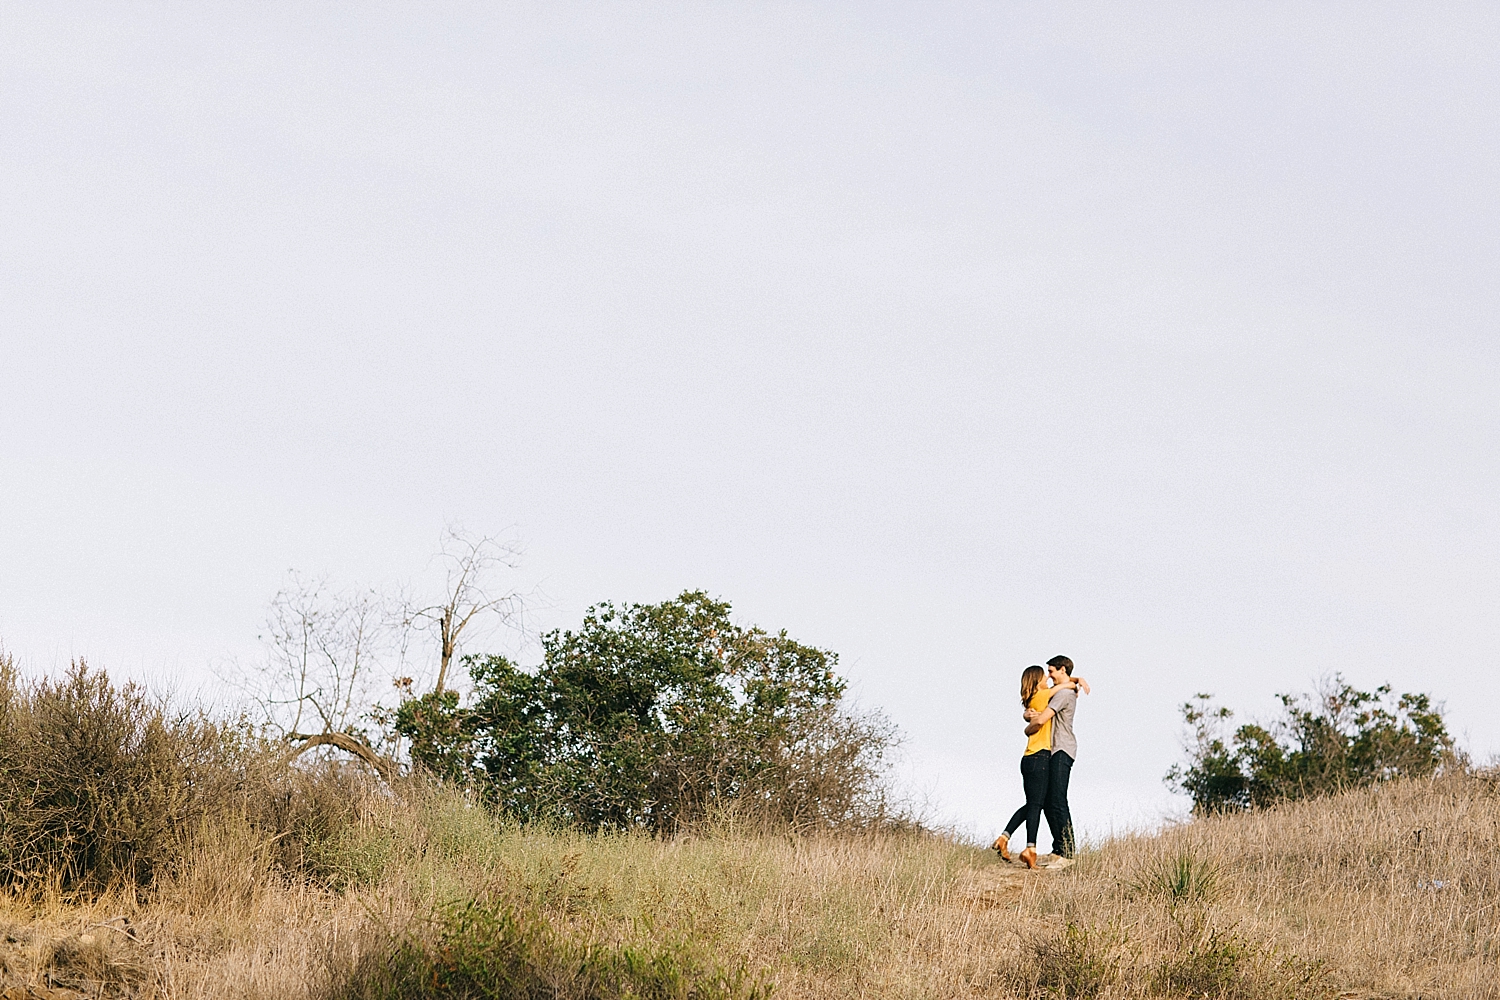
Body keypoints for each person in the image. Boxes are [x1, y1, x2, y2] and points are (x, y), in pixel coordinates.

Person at [991, 665, 1084, 869]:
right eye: (1045, 675)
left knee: (1034, 804)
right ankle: (1030, 849)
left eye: (1050, 673)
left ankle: (1004, 838)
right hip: (1040, 757)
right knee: (1036, 805)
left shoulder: (1033, 698)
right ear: (1037, 681)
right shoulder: (1044, 695)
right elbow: (1063, 688)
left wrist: (1028, 721)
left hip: (1029, 758)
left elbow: (1034, 716)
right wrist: (1077, 680)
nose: (1048, 678)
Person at [1024, 655, 1082, 858]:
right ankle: (1059, 848)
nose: (1048, 676)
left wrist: (1029, 726)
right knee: (1049, 800)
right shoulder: (1063, 690)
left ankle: (1068, 850)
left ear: (1062, 670)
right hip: (1053, 750)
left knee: (1058, 799)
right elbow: (1034, 709)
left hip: (1062, 749)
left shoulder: (1064, 694)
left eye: (1051, 671)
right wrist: (1029, 715)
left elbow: (1042, 718)